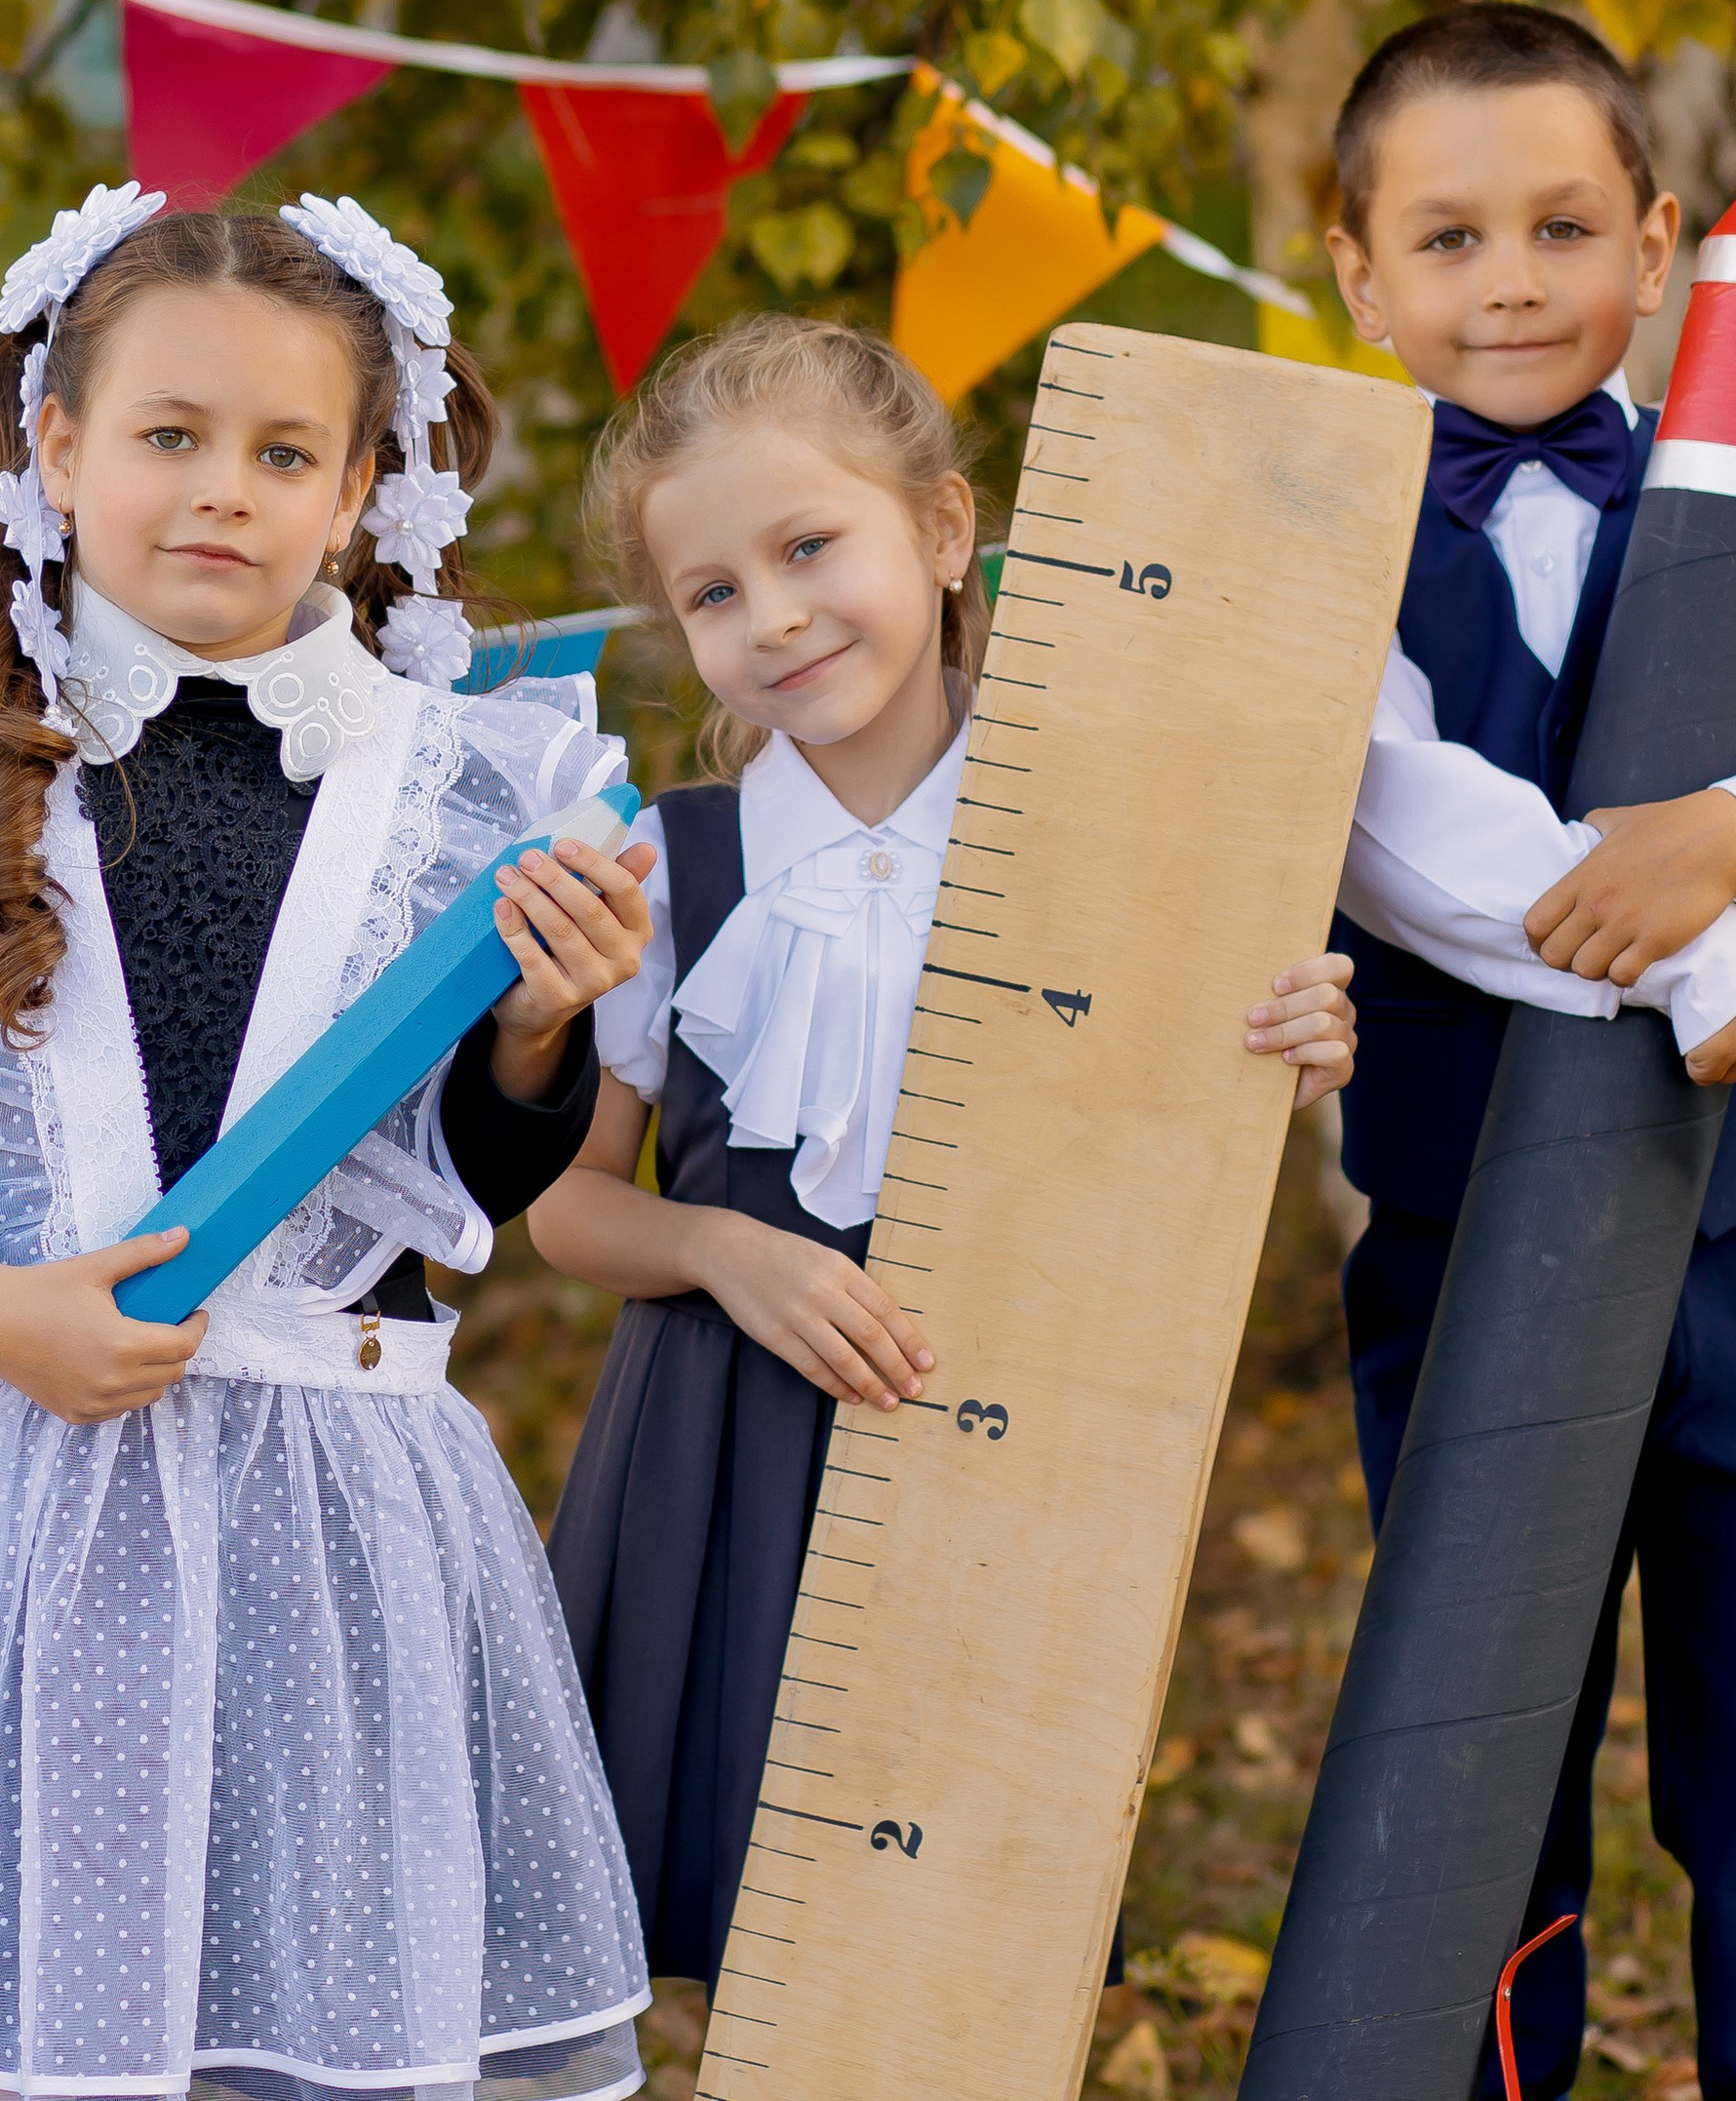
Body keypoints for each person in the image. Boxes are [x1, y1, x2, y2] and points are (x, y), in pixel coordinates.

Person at [0, 189, 663, 2101]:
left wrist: (535, 1031)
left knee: (294, 1993)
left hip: (325, 1514)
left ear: (358, 491)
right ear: (59, 447)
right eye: (170, 434)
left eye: (285, 454)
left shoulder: (460, 786)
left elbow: (477, 1177)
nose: (222, 490)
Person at [526, 316, 1359, 1989]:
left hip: (1008, 1417)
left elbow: (1158, 1146)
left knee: (956, 1920)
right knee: (734, 1888)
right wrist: (717, 1248)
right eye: (713, 592)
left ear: (947, 530)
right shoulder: (662, 865)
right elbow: (567, 1205)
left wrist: (1286, 1056)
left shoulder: (1102, 837)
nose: (774, 617)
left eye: (809, 547)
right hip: (723, 1430)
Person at [1321, 2, 1736, 2101]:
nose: (1507, 281)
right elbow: (1402, 832)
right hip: (1459, 1235)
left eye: (1562, 227)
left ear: (1656, 246)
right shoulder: (1317, 541)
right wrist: (1698, 956)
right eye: (1447, 237)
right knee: (1477, 1772)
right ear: (1356, 274)